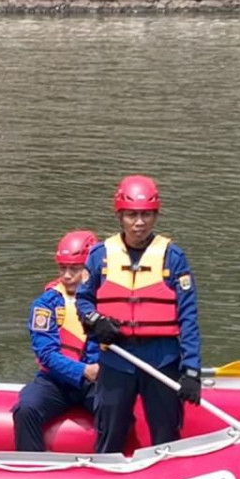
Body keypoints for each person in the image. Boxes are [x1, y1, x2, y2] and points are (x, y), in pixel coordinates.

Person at [75, 175, 202, 454]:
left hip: (162, 358)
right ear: (120, 216)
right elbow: (83, 302)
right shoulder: (99, 256)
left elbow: (188, 317)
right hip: (117, 358)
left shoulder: (173, 257)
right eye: (132, 215)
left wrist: (191, 370)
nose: (139, 223)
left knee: (165, 433)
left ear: (155, 216)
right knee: (110, 432)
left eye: (146, 215)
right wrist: (97, 322)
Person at [12, 230, 101, 452]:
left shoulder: (107, 301)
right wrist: (84, 371)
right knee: (26, 409)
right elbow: (47, 354)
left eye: (75, 269)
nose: (67, 275)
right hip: (57, 380)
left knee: (116, 412)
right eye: (63, 268)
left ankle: (110, 466)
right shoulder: (47, 304)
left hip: (99, 381)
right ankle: (31, 467)